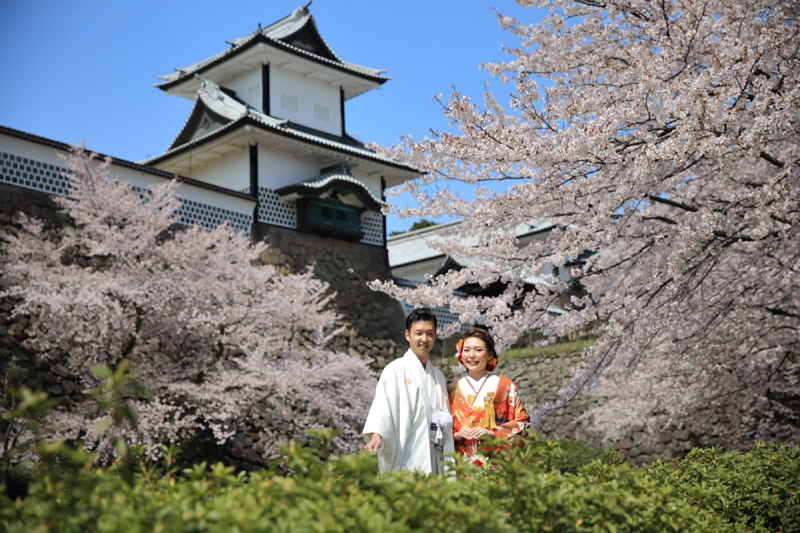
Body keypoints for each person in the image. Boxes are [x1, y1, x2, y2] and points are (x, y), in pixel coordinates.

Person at [363, 308, 455, 474]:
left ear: (435, 336)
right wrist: (377, 436)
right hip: (409, 451)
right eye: (418, 333)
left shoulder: (439, 376)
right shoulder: (395, 369)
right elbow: (382, 406)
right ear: (408, 335)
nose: (424, 339)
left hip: (436, 451)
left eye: (429, 333)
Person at [448, 327, 530, 458]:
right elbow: (439, 429)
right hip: (461, 465)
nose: (472, 355)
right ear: (461, 354)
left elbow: (523, 421)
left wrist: (493, 433)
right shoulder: (451, 390)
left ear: (490, 354)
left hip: (496, 463)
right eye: (467, 350)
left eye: (478, 350)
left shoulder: (505, 387)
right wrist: (456, 435)